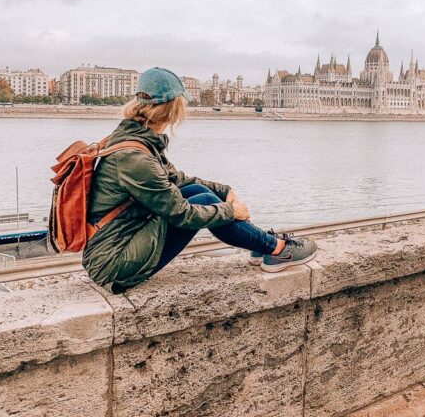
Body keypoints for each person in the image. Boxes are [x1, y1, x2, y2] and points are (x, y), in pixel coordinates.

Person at [82, 67, 318, 294]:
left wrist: (226, 192)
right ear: (171, 109)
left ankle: (261, 244)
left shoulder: (135, 139)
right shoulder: (135, 158)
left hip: (119, 242)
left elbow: (178, 181)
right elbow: (181, 214)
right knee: (203, 199)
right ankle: (277, 250)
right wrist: (230, 211)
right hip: (113, 265)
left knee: (198, 190)